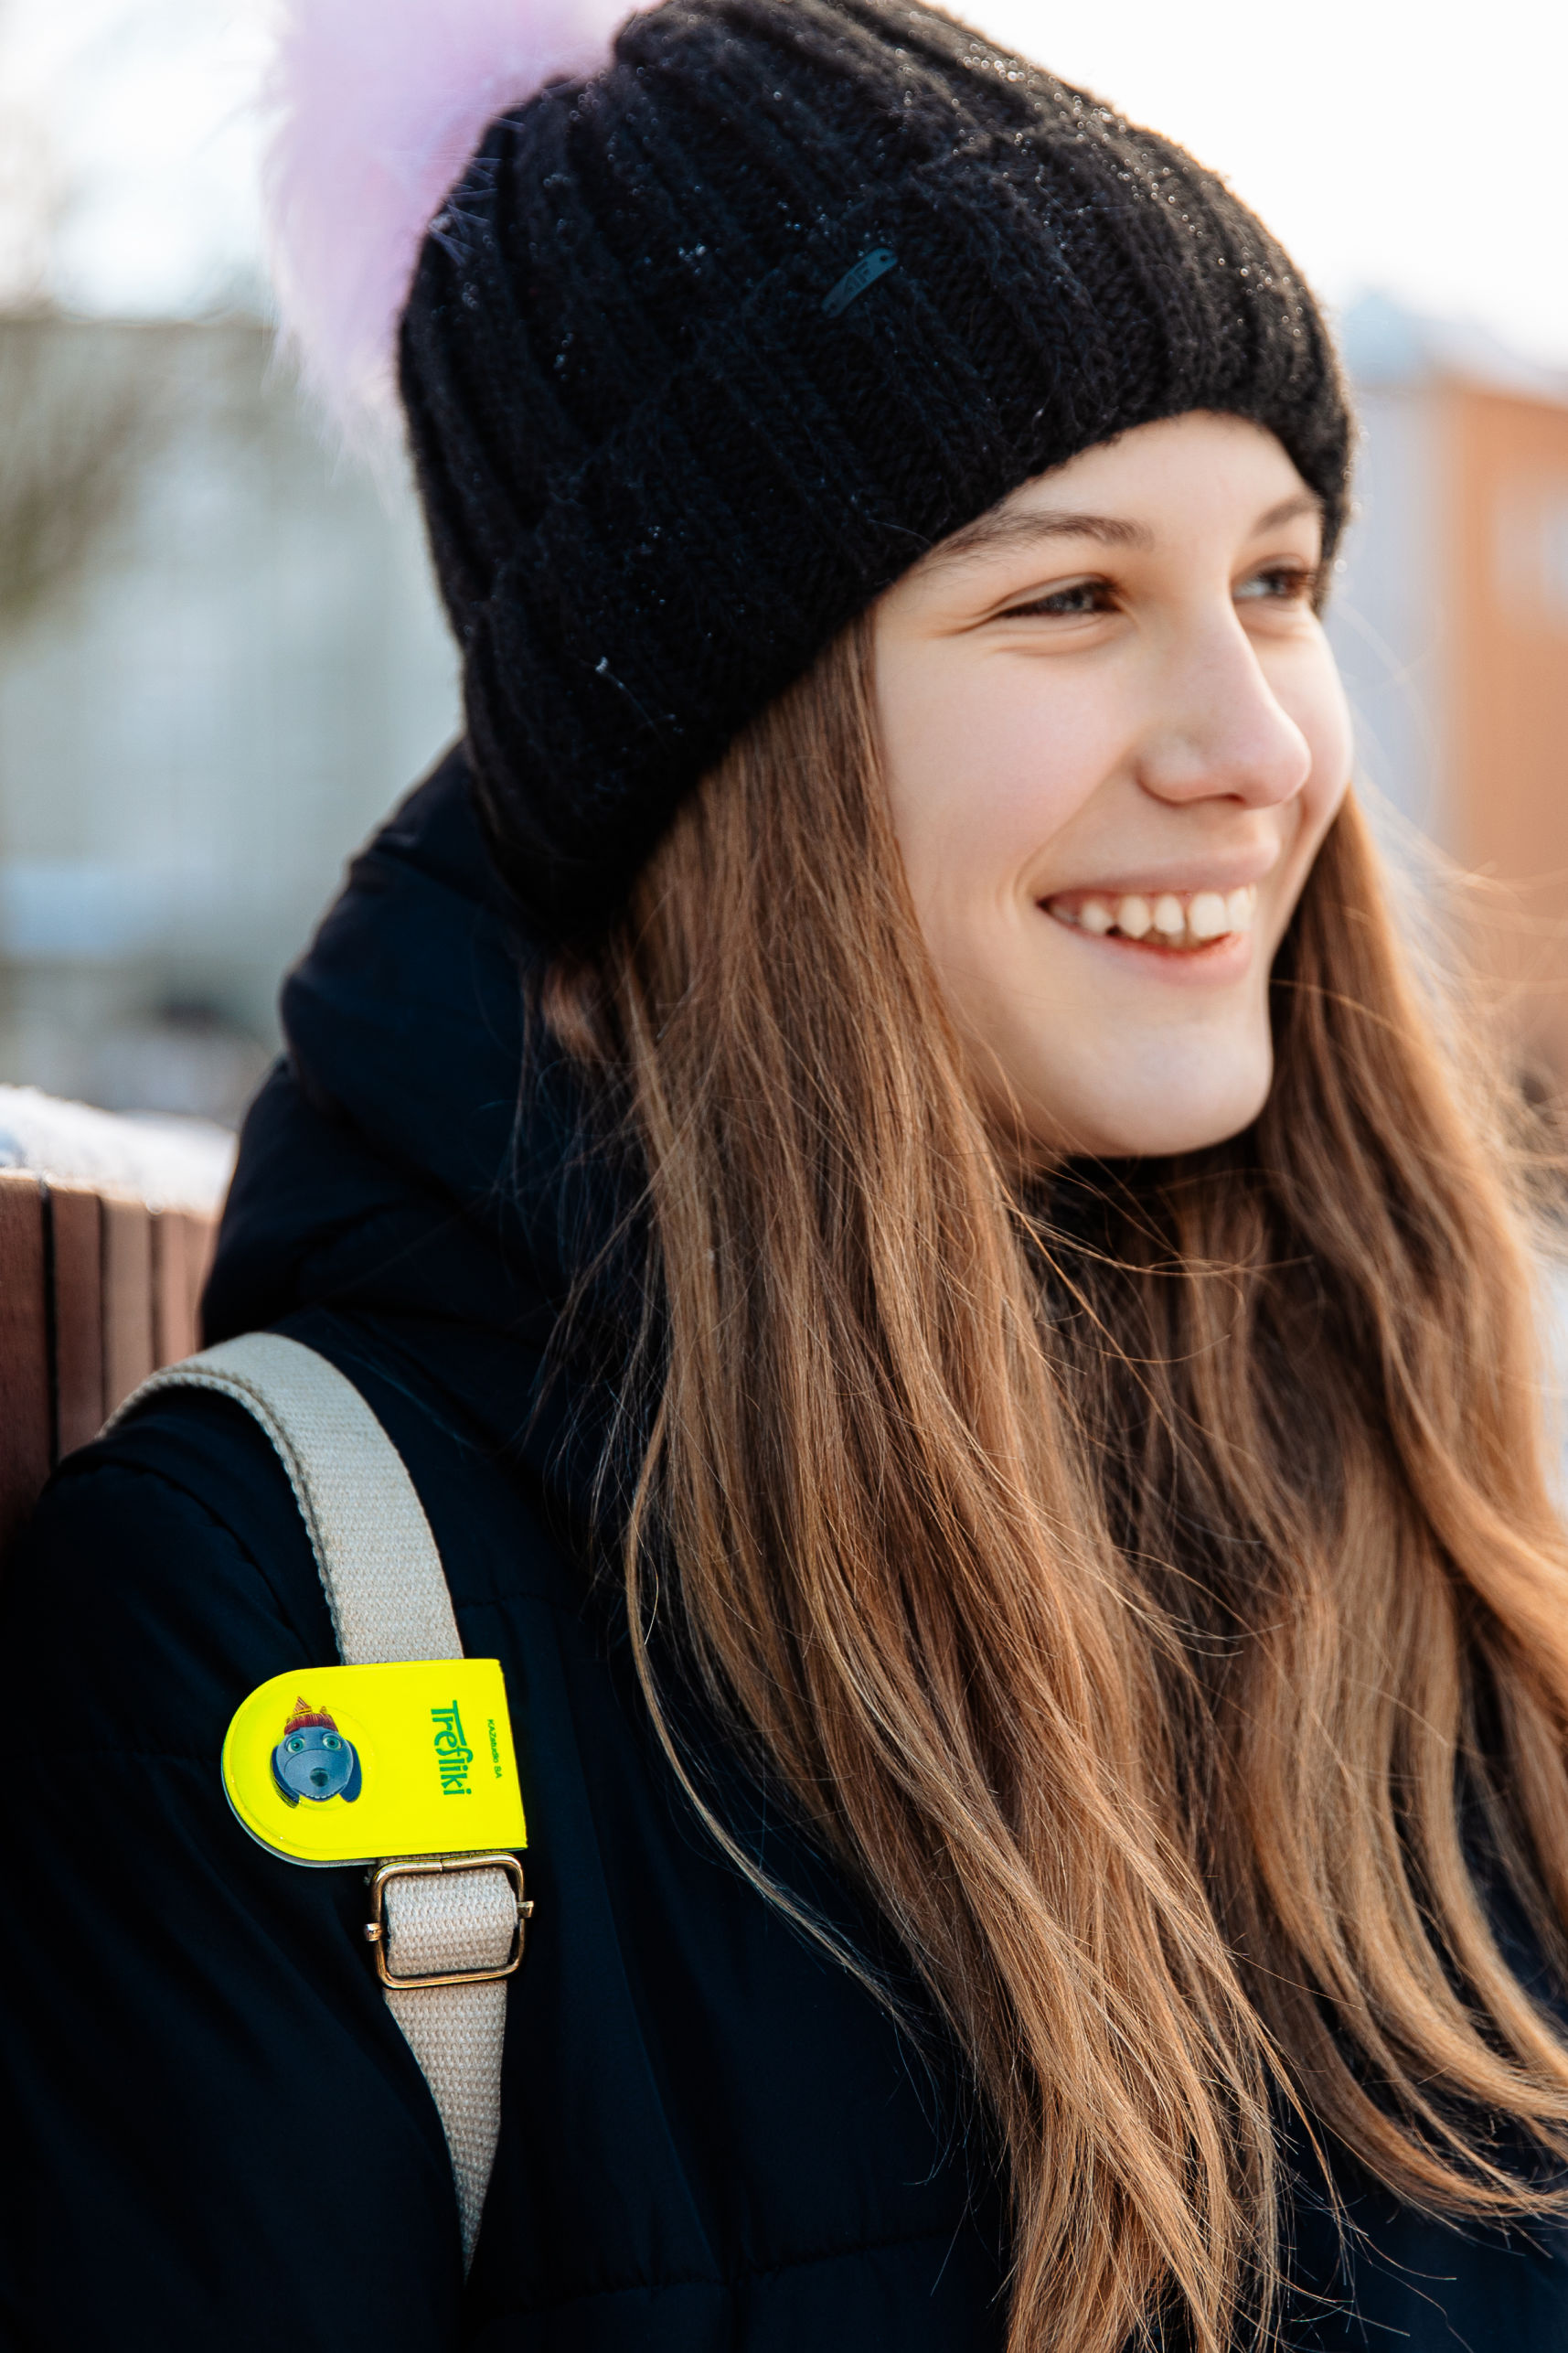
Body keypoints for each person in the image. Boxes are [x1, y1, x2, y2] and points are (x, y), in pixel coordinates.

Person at [5, 0, 1568, 2346]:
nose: (1259, 747)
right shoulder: (278, 1624)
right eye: (1069, 597)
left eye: (1277, 579)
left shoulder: (1434, 1489)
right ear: (721, 748)